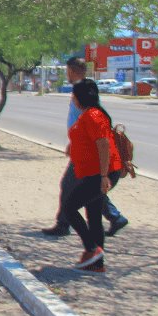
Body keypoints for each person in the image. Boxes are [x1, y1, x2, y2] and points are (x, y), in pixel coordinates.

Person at [42, 57, 129, 238]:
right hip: (82, 146)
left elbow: (88, 120)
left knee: (69, 186)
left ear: (73, 71)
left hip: (86, 149)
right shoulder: (85, 88)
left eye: (67, 71)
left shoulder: (82, 91)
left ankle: (63, 224)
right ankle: (115, 217)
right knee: (89, 188)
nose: (67, 74)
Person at [61, 79, 125, 273]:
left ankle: (91, 249)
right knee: (94, 216)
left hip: (99, 174)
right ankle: (97, 264)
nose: (72, 99)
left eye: (73, 95)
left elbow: (103, 144)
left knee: (69, 207)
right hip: (92, 172)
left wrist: (104, 176)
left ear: (80, 97)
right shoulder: (89, 115)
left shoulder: (93, 115)